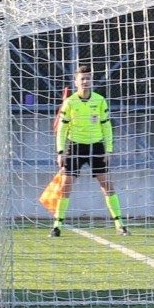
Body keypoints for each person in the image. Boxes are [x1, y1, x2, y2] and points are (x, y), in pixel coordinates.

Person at [52, 66, 128, 237]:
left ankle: (120, 225)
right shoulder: (70, 102)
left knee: (107, 185)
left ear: (91, 81)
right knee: (65, 186)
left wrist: (108, 150)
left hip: (96, 147)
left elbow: (107, 127)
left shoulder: (100, 100)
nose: (85, 81)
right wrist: (61, 151)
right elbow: (62, 129)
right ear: (76, 81)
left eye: (88, 78)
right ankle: (57, 226)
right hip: (75, 146)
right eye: (82, 78)